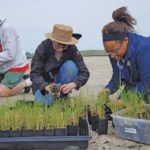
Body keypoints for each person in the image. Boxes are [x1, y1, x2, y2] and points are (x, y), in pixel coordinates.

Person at [99, 7, 150, 103]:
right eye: (108, 52)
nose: (112, 56)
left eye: (114, 51)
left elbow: (147, 84)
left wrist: (125, 100)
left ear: (125, 41)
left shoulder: (144, 49)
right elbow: (118, 75)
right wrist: (108, 89)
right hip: (133, 87)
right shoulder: (113, 52)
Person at [30, 24, 90, 105]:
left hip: (61, 82)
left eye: (64, 46)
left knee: (70, 66)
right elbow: (34, 74)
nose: (60, 49)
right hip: (45, 83)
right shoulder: (43, 48)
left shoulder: (72, 48)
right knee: (44, 105)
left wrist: (75, 84)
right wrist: (46, 86)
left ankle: (63, 95)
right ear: (52, 40)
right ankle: (50, 97)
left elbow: (84, 72)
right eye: (57, 45)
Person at [0, 17, 32, 97]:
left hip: (16, 66)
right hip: (2, 67)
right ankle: (20, 79)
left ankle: (27, 82)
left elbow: (10, 55)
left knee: (2, 92)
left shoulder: (7, 28)